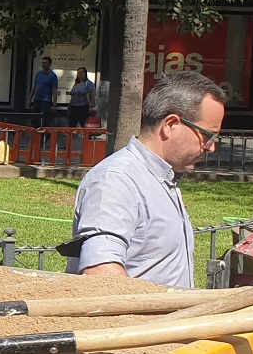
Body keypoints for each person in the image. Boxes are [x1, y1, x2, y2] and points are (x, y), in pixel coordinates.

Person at [66, 71, 225, 287]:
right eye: (207, 136)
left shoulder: (161, 177)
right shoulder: (116, 180)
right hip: (140, 321)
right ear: (170, 125)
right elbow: (101, 273)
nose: (212, 147)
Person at [32, 57, 59, 127]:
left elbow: (54, 90)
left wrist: (54, 104)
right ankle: (35, 134)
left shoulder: (52, 76)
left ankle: (45, 136)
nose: (43, 64)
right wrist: (30, 98)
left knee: (45, 120)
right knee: (34, 119)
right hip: (37, 100)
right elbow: (34, 86)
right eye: (42, 63)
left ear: (49, 64)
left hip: (46, 101)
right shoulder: (39, 74)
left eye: (45, 63)